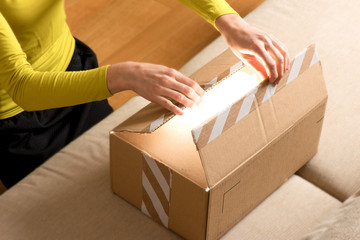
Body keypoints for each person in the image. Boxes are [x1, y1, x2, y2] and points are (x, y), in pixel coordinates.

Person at [0, 0, 289, 189]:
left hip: (73, 69)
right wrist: (125, 75)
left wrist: (229, 21)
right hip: (18, 118)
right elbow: (22, 86)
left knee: (116, 175)